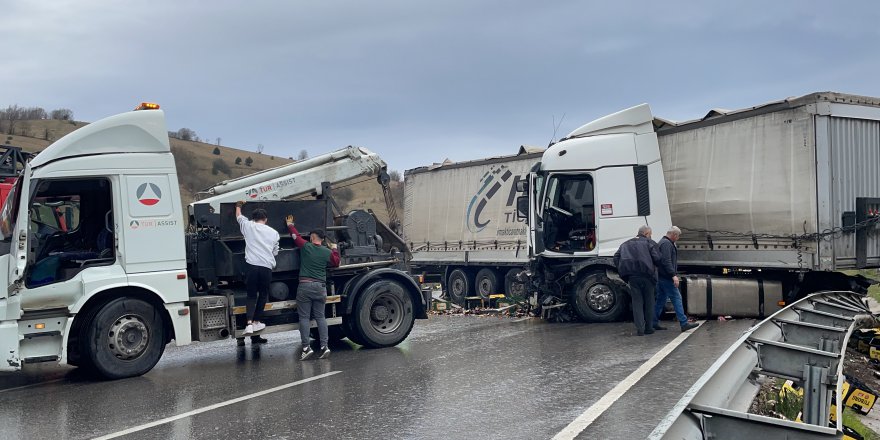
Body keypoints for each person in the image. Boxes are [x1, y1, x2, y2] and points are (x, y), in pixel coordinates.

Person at [287, 215, 340, 360]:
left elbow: (295, 236)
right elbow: (336, 263)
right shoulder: (327, 252)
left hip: (305, 286)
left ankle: (306, 348)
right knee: (320, 317)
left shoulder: (306, 247)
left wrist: (290, 224)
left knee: (304, 318)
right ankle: (324, 347)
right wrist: (334, 249)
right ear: (322, 239)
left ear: (312, 237)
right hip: (320, 287)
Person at [236, 201, 280, 345]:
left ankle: (248, 324)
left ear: (253, 218)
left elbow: (239, 217)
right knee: (263, 294)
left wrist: (238, 206)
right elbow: (275, 251)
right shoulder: (274, 233)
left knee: (250, 295)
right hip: (266, 267)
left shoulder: (248, 226)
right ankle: (257, 321)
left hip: (252, 266)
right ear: (266, 219)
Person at [613, 225, 662, 336]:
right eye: (650, 234)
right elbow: (658, 259)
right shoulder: (650, 243)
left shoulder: (625, 244)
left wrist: (622, 268)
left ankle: (640, 329)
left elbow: (616, 257)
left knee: (637, 303)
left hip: (632, 277)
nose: (651, 236)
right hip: (648, 277)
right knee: (649, 302)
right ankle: (649, 328)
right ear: (646, 234)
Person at [654, 226, 699, 332]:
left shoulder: (663, 242)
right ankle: (684, 323)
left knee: (660, 301)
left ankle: (653, 322)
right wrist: (673, 275)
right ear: (674, 234)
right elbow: (666, 261)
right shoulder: (666, 244)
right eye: (678, 236)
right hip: (666, 277)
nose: (678, 238)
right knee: (677, 298)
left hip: (661, 276)